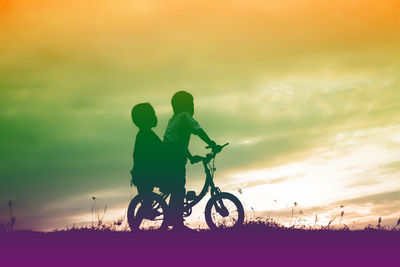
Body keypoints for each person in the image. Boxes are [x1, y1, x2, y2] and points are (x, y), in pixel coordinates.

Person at [163, 91, 221, 230]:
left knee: (176, 188)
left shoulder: (174, 118)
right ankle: (177, 224)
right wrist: (212, 143)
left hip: (170, 155)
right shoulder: (185, 116)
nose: (193, 106)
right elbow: (198, 130)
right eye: (191, 103)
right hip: (175, 158)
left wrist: (190, 156)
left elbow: (177, 141)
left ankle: (172, 219)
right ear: (185, 105)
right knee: (178, 188)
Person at [130, 103, 164, 220]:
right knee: (147, 202)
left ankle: (136, 227)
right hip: (146, 174)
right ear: (146, 119)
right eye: (153, 115)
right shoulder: (147, 135)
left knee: (146, 203)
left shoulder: (143, 134)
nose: (156, 117)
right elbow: (161, 149)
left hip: (141, 174)